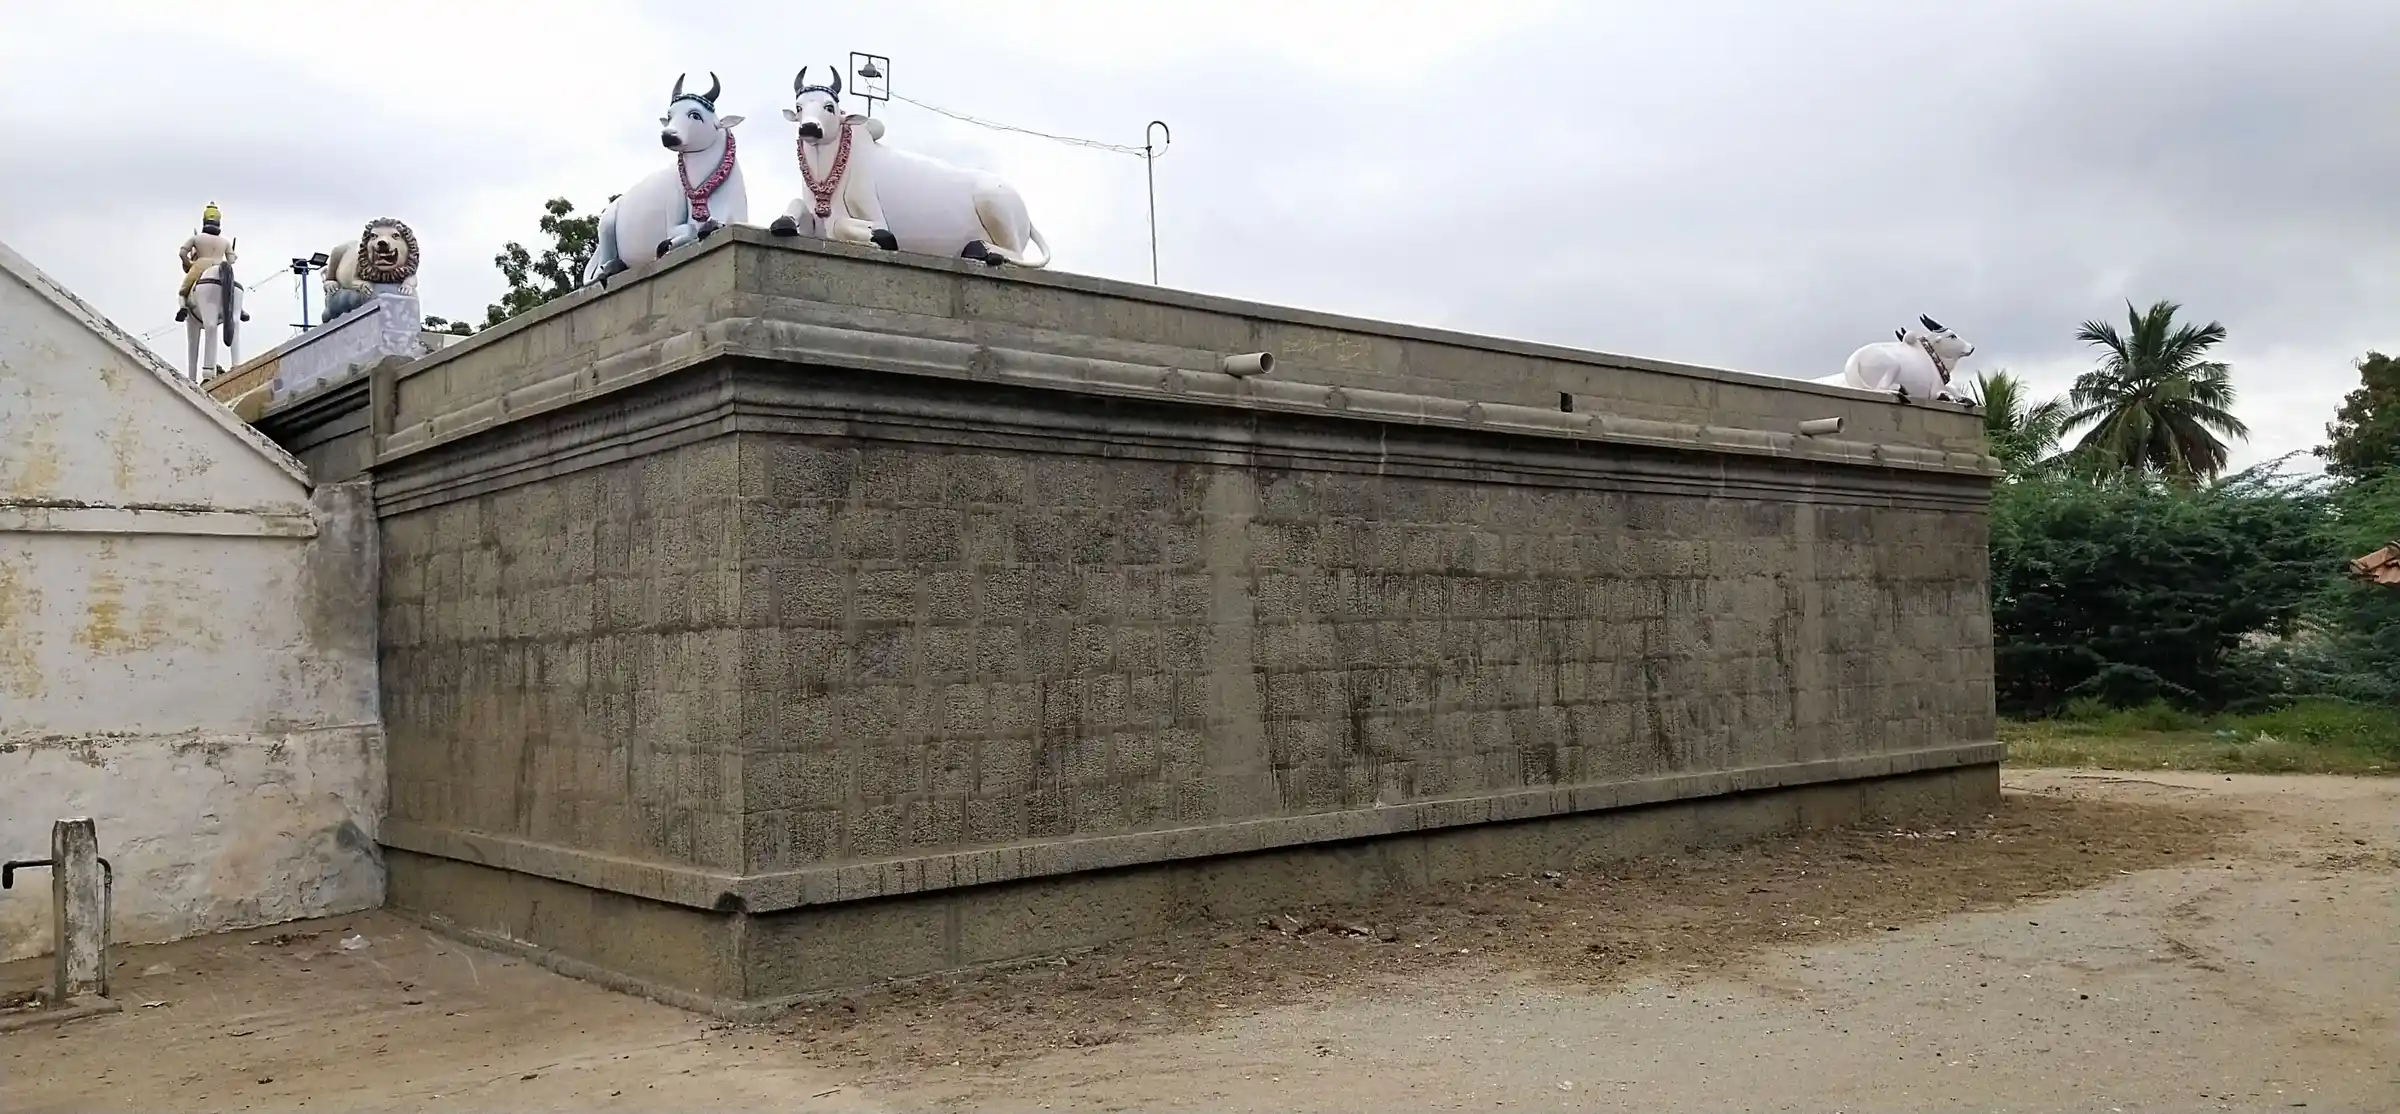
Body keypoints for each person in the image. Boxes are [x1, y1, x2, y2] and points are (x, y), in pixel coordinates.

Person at [174, 203, 234, 322]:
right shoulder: (225, 242)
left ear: (204, 221)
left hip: (200, 265)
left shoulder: (196, 238)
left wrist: (189, 264)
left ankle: (183, 308)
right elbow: (231, 260)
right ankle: (239, 309)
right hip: (220, 266)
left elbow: (182, 253)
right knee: (232, 287)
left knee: (183, 291)